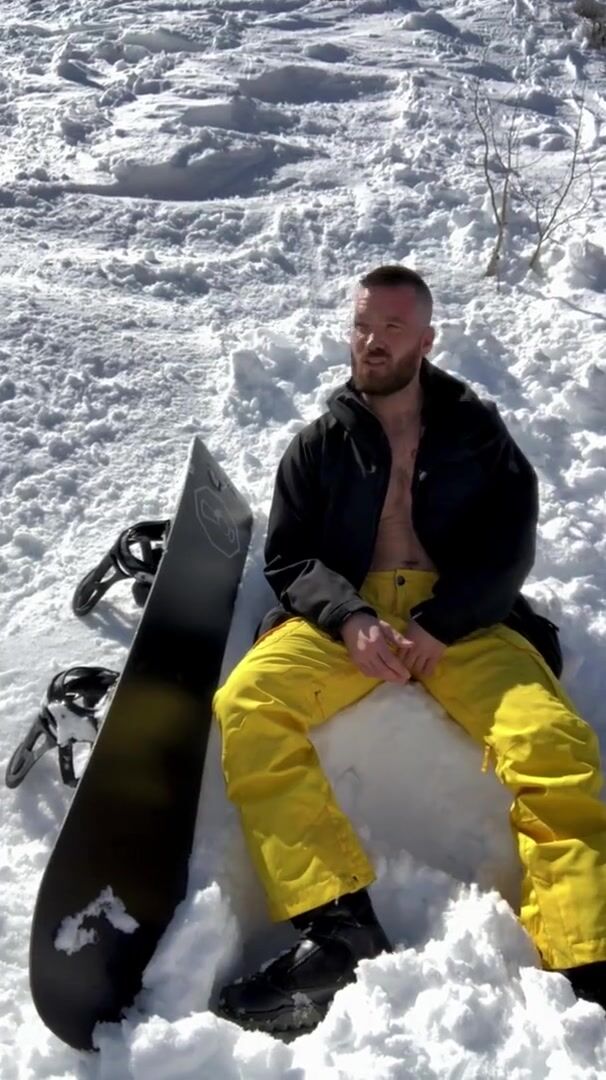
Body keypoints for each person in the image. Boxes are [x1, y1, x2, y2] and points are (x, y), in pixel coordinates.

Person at [213, 265, 606, 1034]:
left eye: (392, 329)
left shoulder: (475, 432)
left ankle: (585, 953)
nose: (372, 342)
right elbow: (290, 557)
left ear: (426, 340)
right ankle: (338, 930)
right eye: (362, 326)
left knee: (554, 742)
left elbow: (509, 545)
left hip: (463, 621)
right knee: (248, 706)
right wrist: (350, 618)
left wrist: (443, 621)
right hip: (348, 618)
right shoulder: (319, 444)